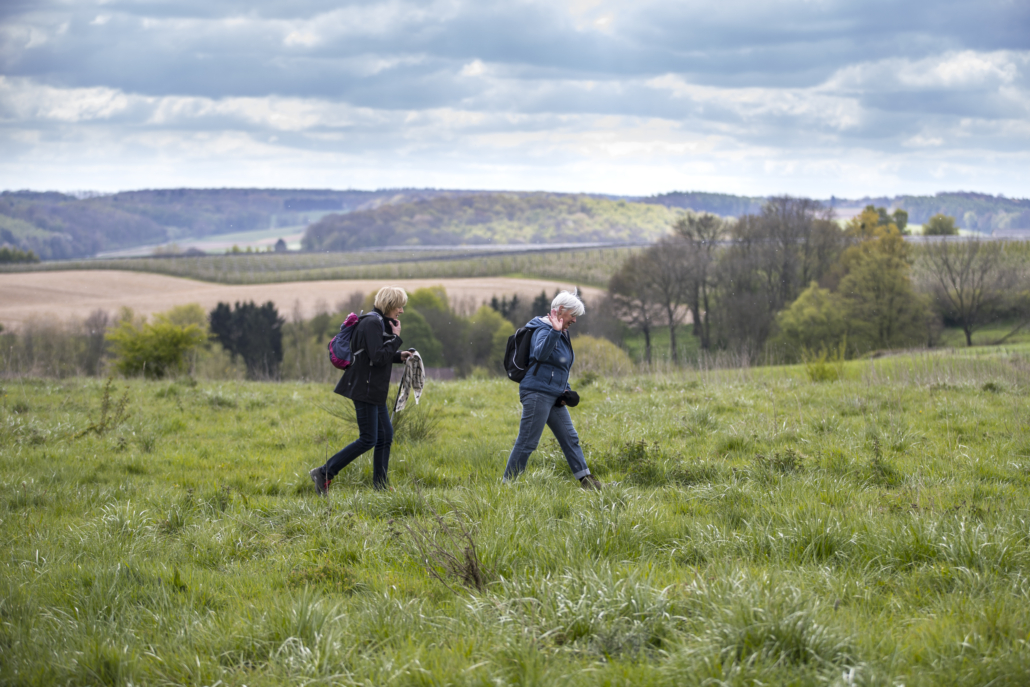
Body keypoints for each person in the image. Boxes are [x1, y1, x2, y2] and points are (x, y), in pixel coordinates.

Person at [310, 286, 413, 494]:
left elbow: (373, 355)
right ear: (389, 304)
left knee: (385, 436)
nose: (401, 310)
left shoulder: (376, 321)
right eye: (399, 306)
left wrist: (399, 355)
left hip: (372, 389)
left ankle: (380, 487)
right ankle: (324, 472)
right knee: (368, 439)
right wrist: (396, 338)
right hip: (364, 388)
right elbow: (378, 357)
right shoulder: (372, 323)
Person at [503, 290, 602, 490]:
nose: (575, 320)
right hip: (537, 393)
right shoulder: (543, 328)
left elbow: (559, 365)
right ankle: (507, 486)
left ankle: (586, 482)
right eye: (573, 315)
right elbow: (540, 354)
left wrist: (566, 391)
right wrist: (555, 332)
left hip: (554, 395)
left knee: (570, 438)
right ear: (561, 310)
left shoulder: (562, 332)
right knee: (528, 442)